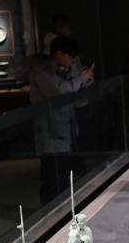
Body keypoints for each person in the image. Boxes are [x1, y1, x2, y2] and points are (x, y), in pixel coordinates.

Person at [30, 36, 94, 203]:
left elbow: (78, 100)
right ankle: (50, 215)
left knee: (65, 180)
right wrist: (80, 79)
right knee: (52, 181)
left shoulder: (61, 72)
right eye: (69, 57)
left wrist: (85, 81)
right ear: (58, 54)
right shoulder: (42, 73)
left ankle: (65, 212)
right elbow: (61, 91)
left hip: (65, 134)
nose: (71, 61)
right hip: (50, 136)